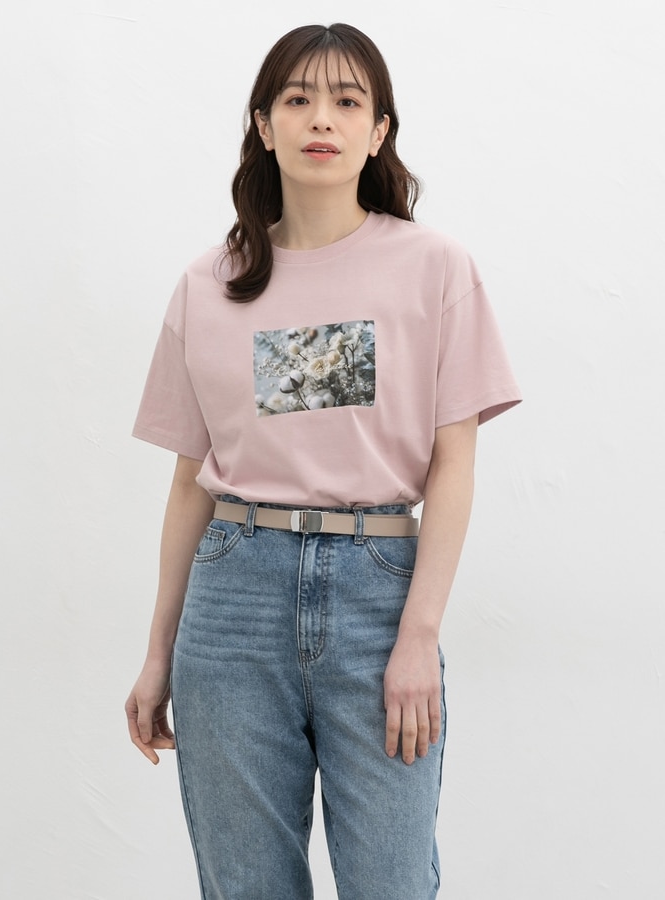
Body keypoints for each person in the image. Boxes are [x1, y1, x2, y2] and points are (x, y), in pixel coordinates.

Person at [125, 22, 521, 900]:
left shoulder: (434, 267)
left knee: (391, 883)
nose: (321, 119)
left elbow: (454, 464)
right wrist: (157, 652)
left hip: (378, 592)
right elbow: (190, 482)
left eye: (347, 101)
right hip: (233, 601)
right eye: (298, 99)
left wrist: (418, 635)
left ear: (379, 131)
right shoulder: (210, 283)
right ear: (263, 124)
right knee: (246, 887)